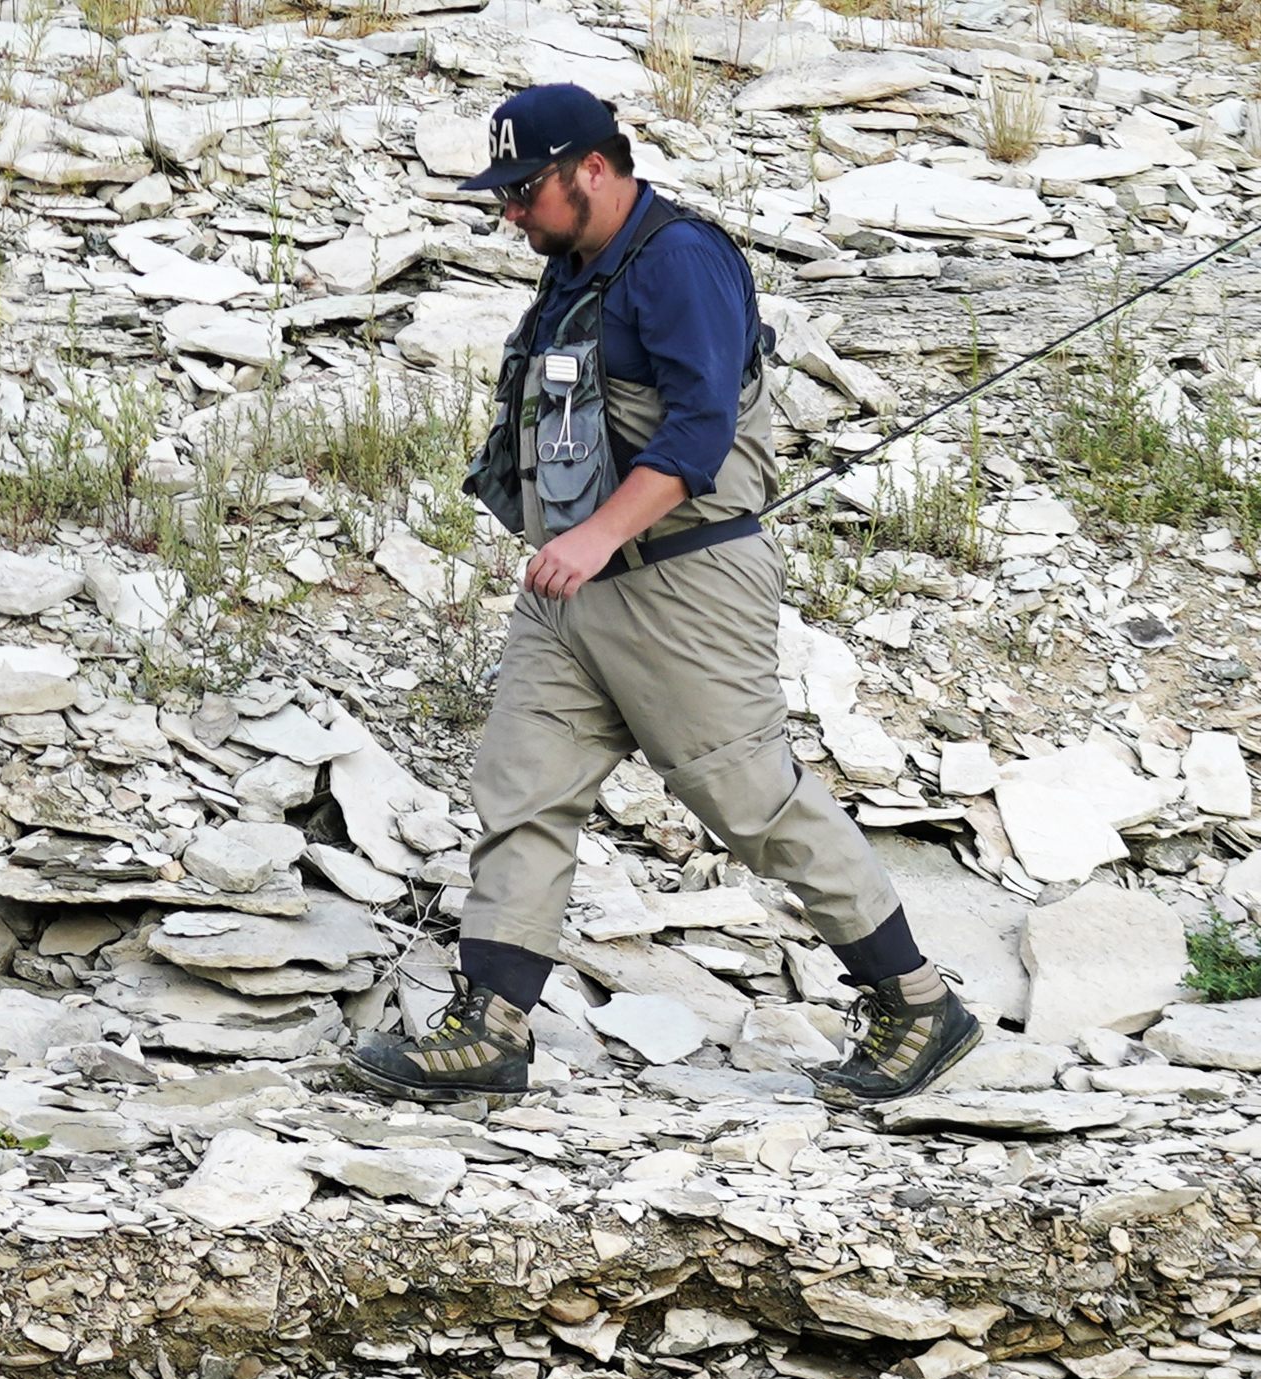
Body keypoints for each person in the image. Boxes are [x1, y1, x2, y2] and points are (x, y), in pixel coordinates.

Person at [349, 83, 984, 1114]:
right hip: (570, 591)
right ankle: (489, 1032)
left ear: (590, 168)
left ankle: (915, 1004)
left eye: (524, 191)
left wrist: (598, 534)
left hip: (683, 583)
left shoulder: (682, 260)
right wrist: (566, 542)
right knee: (521, 794)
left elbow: (696, 432)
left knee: (750, 803)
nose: (510, 212)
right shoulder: (571, 270)